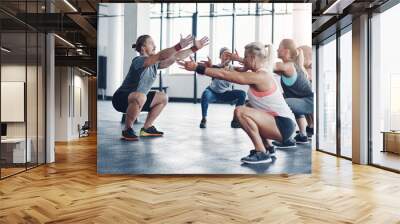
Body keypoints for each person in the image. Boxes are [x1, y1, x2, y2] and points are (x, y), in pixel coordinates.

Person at [178, 42, 297, 164]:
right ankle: (267, 147)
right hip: (281, 124)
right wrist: (208, 66)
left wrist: (197, 68)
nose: (243, 60)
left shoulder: (260, 76)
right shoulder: (260, 72)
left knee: (240, 111)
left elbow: (225, 75)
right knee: (249, 106)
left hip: (283, 125)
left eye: (245, 57)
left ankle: (261, 152)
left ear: (252, 58)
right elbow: (227, 70)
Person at [112, 34, 209, 141]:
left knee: (163, 97)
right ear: (143, 48)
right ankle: (127, 129)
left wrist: (194, 48)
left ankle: (146, 128)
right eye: (151, 43)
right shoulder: (139, 60)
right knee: (141, 96)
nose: (155, 46)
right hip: (120, 99)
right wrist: (178, 45)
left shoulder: (155, 64)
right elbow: (160, 55)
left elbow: (175, 57)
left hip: (139, 99)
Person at [274, 39, 314, 145]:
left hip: (309, 102)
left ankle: (287, 139)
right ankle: (303, 135)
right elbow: (263, 68)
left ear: (286, 51)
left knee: (280, 104)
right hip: (303, 101)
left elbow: (267, 66)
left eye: (279, 48)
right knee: (291, 103)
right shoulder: (288, 67)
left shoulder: (289, 66)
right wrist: (241, 60)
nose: (277, 50)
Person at [199, 47, 246, 129]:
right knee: (205, 94)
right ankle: (204, 119)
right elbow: (208, 69)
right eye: (225, 54)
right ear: (220, 57)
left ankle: (235, 120)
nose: (227, 56)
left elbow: (244, 69)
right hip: (213, 92)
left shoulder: (233, 68)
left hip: (225, 94)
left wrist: (240, 60)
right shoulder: (215, 67)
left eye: (229, 54)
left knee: (242, 94)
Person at [298, 45, 314, 138]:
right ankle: (310, 126)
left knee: (310, 108)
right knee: (306, 110)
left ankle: (313, 127)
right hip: (305, 84)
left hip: (310, 84)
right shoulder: (302, 66)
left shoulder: (310, 64)